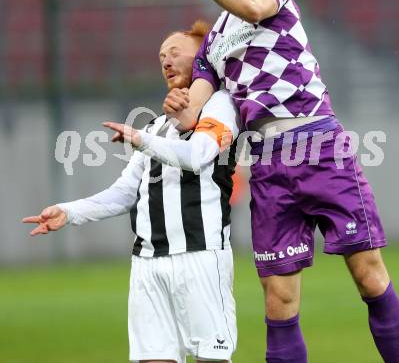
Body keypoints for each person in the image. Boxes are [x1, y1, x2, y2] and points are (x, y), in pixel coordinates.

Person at [163, 0, 399, 362]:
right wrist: (177, 102)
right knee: (278, 300)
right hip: (266, 163)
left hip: (317, 144)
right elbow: (194, 113)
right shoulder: (211, 43)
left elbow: (254, 8)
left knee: (368, 276)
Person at [22, 21, 240, 363]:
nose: (165, 61)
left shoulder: (221, 106)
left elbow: (198, 156)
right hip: (147, 264)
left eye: (175, 53)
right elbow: (126, 192)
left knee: (211, 358)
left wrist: (140, 140)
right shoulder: (157, 126)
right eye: (161, 56)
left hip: (200, 255)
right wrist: (70, 212)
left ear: (202, 59)